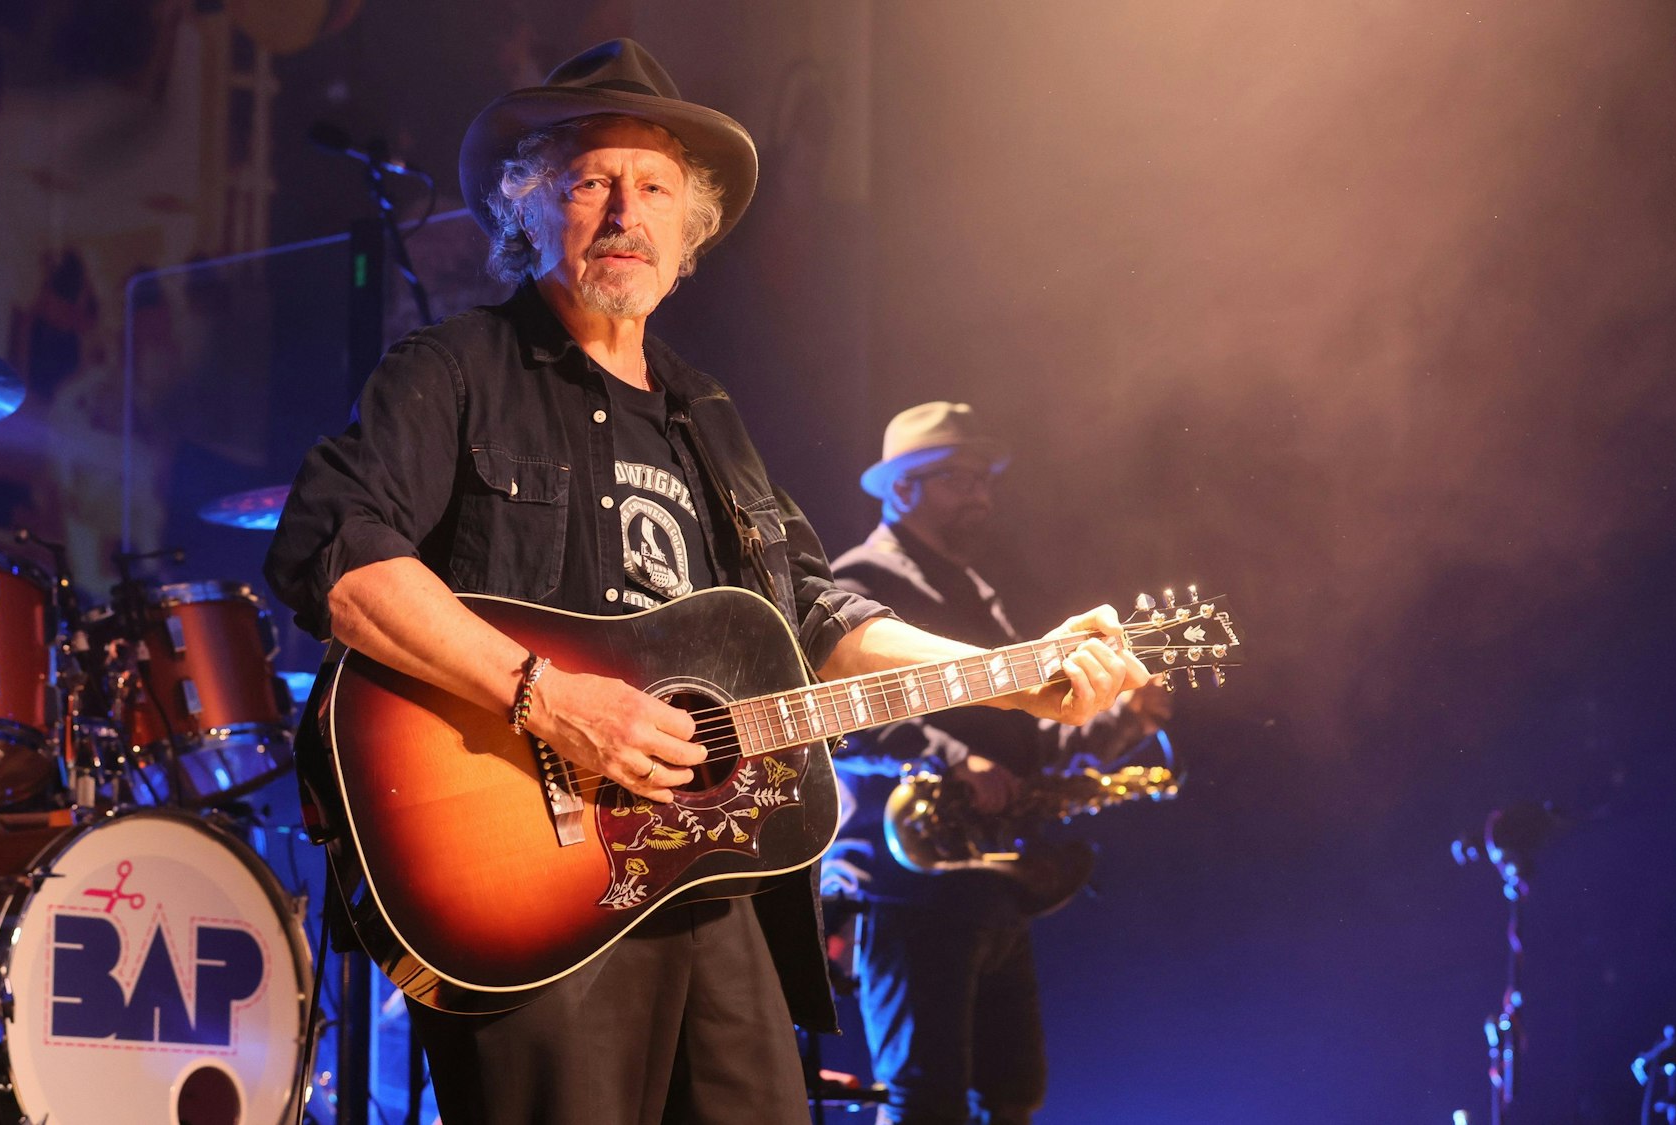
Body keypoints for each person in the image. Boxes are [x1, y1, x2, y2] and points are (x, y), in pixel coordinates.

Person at [263, 41, 1153, 1125]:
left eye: (653, 189)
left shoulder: (707, 418)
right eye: (590, 181)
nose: (622, 211)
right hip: (532, 885)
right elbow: (336, 557)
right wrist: (549, 695)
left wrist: (1005, 676)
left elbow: (818, 617)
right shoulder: (454, 373)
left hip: (713, 880)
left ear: (690, 236)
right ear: (528, 210)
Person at [827, 402, 1172, 1125]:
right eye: (960, 479)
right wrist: (951, 759)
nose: (982, 496)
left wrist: (1123, 721)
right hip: (906, 886)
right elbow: (846, 707)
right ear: (902, 489)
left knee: (1016, 1093)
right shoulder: (857, 583)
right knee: (927, 1101)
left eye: (985, 480)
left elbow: (1035, 743)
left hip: (990, 881)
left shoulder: (979, 596)